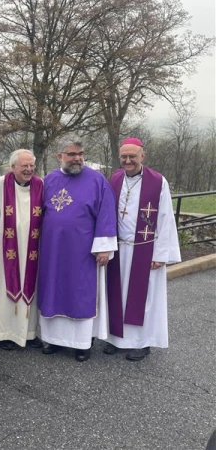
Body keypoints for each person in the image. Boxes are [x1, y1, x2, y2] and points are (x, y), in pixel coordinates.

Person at [37, 138, 117, 362]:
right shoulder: (49, 180)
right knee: (53, 289)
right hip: (52, 251)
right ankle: (52, 339)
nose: (77, 158)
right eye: (71, 154)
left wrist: (104, 247)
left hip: (82, 251)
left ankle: (82, 344)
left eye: (80, 153)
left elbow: (106, 212)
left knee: (80, 292)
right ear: (58, 156)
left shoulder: (96, 180)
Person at [104, 138, 181, 361]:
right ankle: (116, 340)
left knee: (143, 299)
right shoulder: (116, 178)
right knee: (116, 294)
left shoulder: (158, 181)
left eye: (132, 157)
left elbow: (166, 218)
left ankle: (140, 343)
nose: (128, 161)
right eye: (124, 157)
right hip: (119, 248)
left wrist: (160, 254)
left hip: (145, 249)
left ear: (142, 156)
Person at [0, 149, 44, 350]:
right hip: (7, 246)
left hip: (32, 246)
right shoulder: (0, 184)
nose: (29, 169)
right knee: (5, 285)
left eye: (31, 165)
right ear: (13, 167)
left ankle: (28, 333)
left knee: (31, 285)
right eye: (24, 166)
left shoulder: (41, 186)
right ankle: (4, 333)